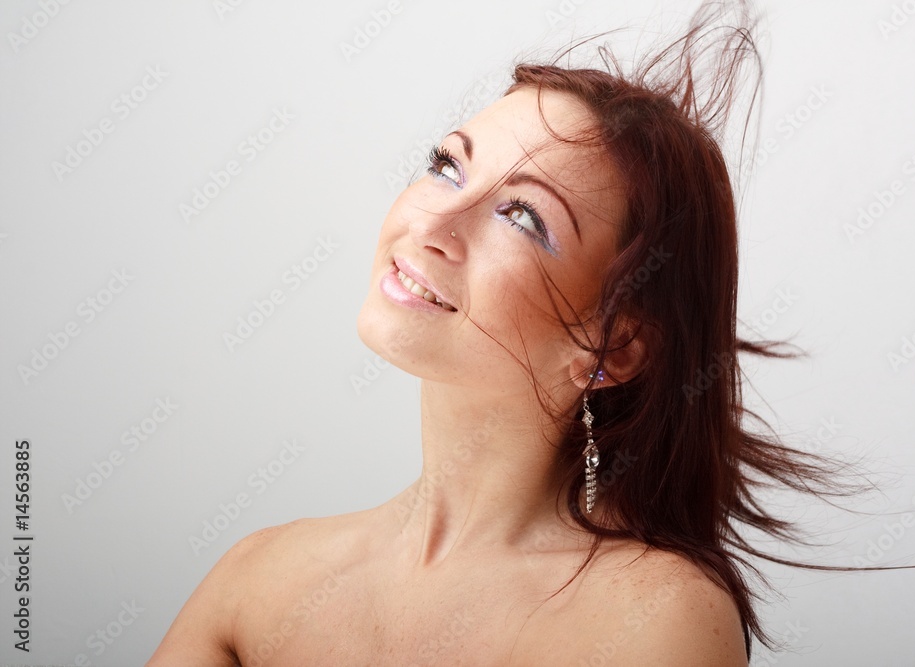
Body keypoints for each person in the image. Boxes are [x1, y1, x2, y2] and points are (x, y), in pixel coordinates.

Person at [148, 2, 850, 664]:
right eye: (447, 166)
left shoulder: (656, 616)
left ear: (611, 347)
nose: (433, 224)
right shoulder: (254, 579)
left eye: (521, 216)